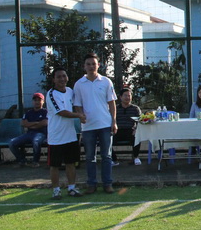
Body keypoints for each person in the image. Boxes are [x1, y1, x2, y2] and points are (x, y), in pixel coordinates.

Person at [73, 53, 118, 194]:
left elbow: (112, 103)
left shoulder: (106, 81)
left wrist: (114, 121)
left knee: (107, 156)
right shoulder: (79, 84)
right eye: (88, 64)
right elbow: (77, 104)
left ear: (98, 65)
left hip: (105, 124)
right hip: (88, 127)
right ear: (84, 66)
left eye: (94, 63)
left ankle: (107, 184)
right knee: (89, 157)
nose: (91, 66)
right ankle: (91, 184)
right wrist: (81, 116)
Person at [46, 67, 85, 199]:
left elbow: (78, 103)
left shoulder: (70, 91)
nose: (62, 79)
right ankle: (56, 190)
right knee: (55, 165)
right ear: (53, 80)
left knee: (71, 163)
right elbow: (62, 112)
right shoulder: (51, 94)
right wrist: (79, 115)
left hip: (70, 135)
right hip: (56, 137)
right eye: (59, 77)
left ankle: (72, 188)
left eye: (64, 76)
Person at [9, 92, 48, 167]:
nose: (37, 102)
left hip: (41, 134)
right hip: (29, 134)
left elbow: (44, 123)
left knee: (36, 142)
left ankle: (35, 161)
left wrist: (30, 124)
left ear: (43, 101)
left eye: (39, 100)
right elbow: (23, 123)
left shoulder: (45, 112)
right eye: (35, 100)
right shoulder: (28, 112)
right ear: (33, 102)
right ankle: (22, 160)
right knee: (12, 143)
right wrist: (36, 123)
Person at [112, 88, 142, 166]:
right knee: (106, 139)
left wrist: (136, 129)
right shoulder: (115, 108)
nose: (127, 97)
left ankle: (136, 157)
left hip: (130, 130)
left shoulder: (135, 109)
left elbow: (140, 121)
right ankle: (114, 160)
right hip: (117, 130)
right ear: (120, 97)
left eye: (129, 96)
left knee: (137, 136)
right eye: (125, 95)